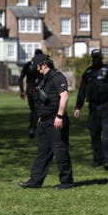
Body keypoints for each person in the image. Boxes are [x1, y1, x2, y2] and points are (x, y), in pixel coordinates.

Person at [19, 53, 75, 190]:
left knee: (60, 151)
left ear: (44, 64)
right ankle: (35, 181)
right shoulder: (43, 79)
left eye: (38, 66)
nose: (36, 69)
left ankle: (67, 182)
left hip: (55, 120)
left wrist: (60, 116)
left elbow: (64, 96)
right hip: (44, 122)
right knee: (43, 152)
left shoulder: (57, 77)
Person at [74, 49, 108, 170]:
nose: (96, 60)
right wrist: (78, 107)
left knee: (107, 135)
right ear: (91, 59)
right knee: (94, 135)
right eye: (95, 57)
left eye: (98, 57)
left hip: (106, 106)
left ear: (101, 58)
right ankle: (97, 159)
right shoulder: (88, 72)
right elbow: (82, 91)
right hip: (92, 108)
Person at [18, 48, 44, 138]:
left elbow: (20, 79)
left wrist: (22, 91)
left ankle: (32, 128)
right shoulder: (43, 65)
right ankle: (41, 129)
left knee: (33, 111)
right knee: (41, 110)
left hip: (30, 91)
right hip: (41, 91)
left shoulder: (28, 65)